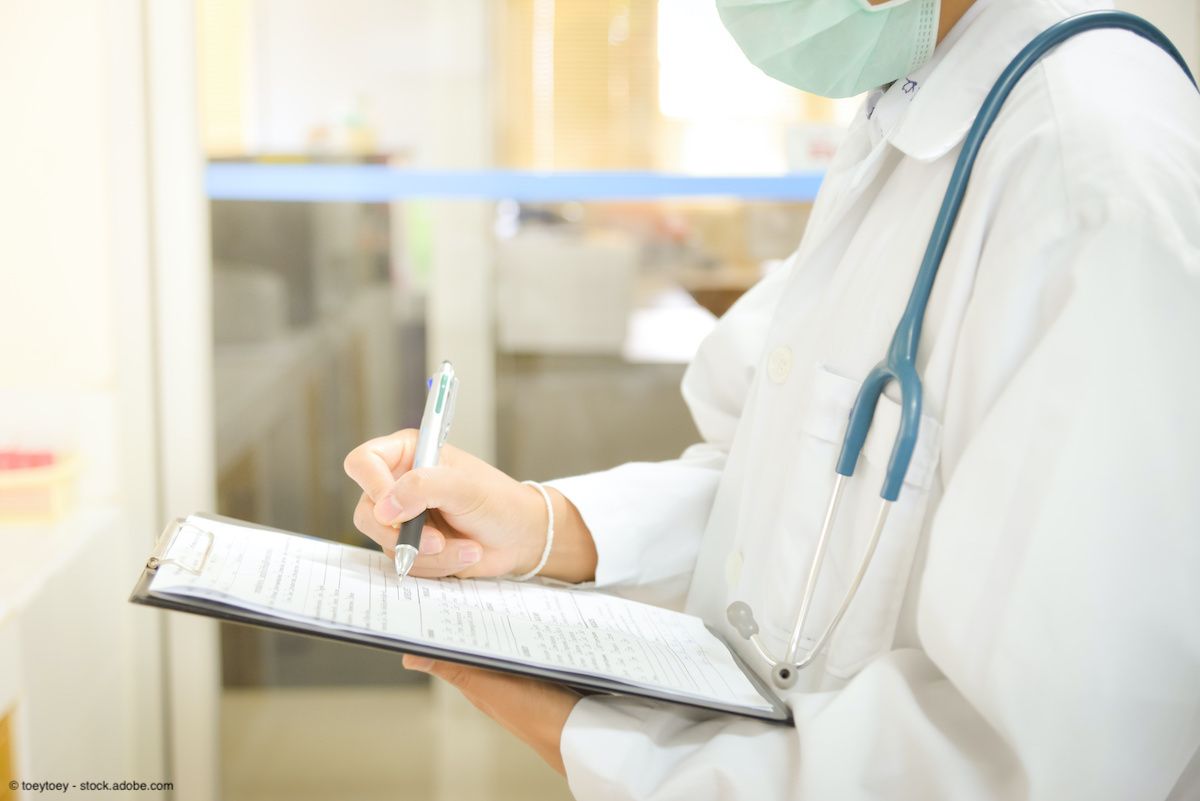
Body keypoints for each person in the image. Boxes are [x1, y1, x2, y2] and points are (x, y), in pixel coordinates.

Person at [343, 0, 1200, 797]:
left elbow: (1043, 762)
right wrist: (544, 527)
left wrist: (604, 742)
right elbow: (792, 480)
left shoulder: (1094, 168)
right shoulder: (916, 111)